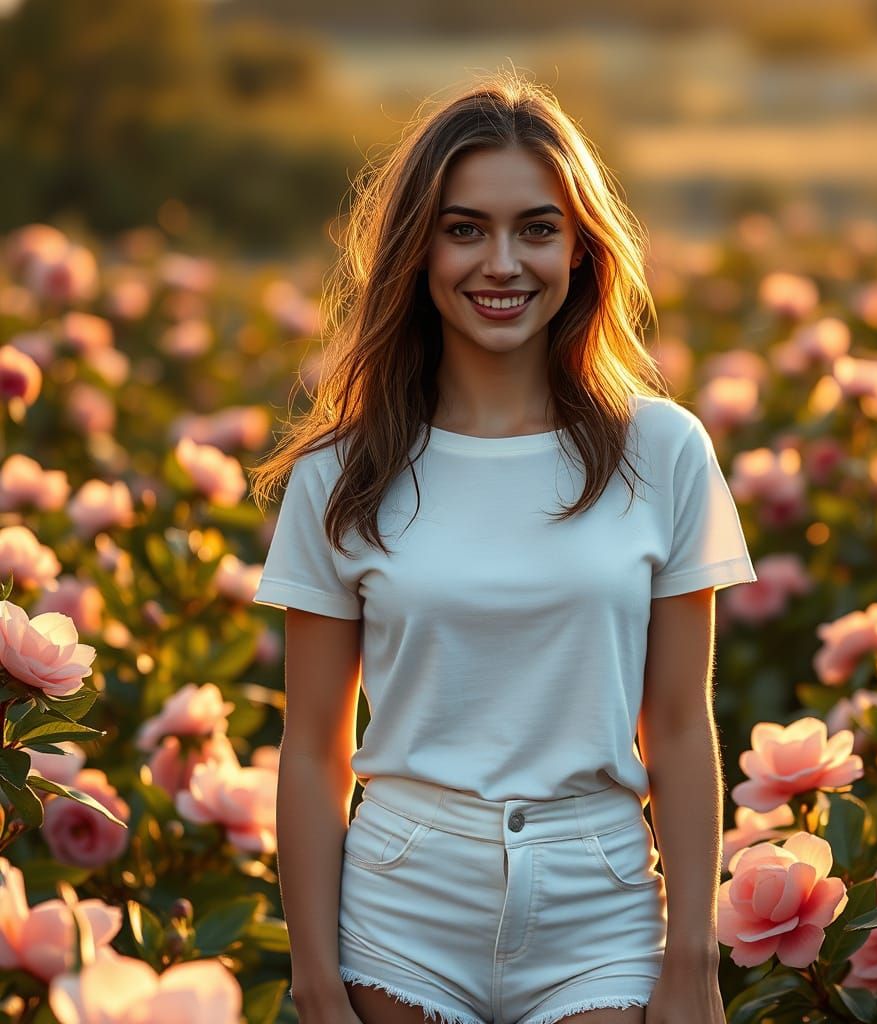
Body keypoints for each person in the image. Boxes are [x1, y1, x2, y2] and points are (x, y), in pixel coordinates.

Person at [249, 70, 757, 1024]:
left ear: (579, 249)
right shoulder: (342, 470)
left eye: (536, 228)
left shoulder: (665, 450)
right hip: (402, 903)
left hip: (599, 905)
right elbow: (313, 748)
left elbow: (682, 726)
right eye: (464, 228)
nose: (502, 263)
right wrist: (316, 984)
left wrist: (692, 962)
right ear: (418, 248)